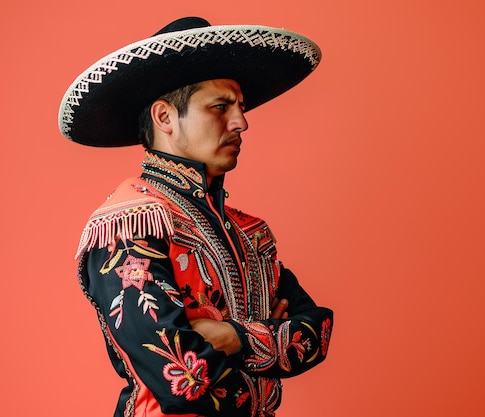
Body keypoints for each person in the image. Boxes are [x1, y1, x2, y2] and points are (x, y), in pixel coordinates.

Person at [58, 17, 333, 417]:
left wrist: (232, 337)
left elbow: (317, 333)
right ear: (165, 117)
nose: (242, 122)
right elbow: (182, 378)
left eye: (239, 107)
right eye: (221, 107)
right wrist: (269, 338)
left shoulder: (249, 232)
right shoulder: (131, 223)